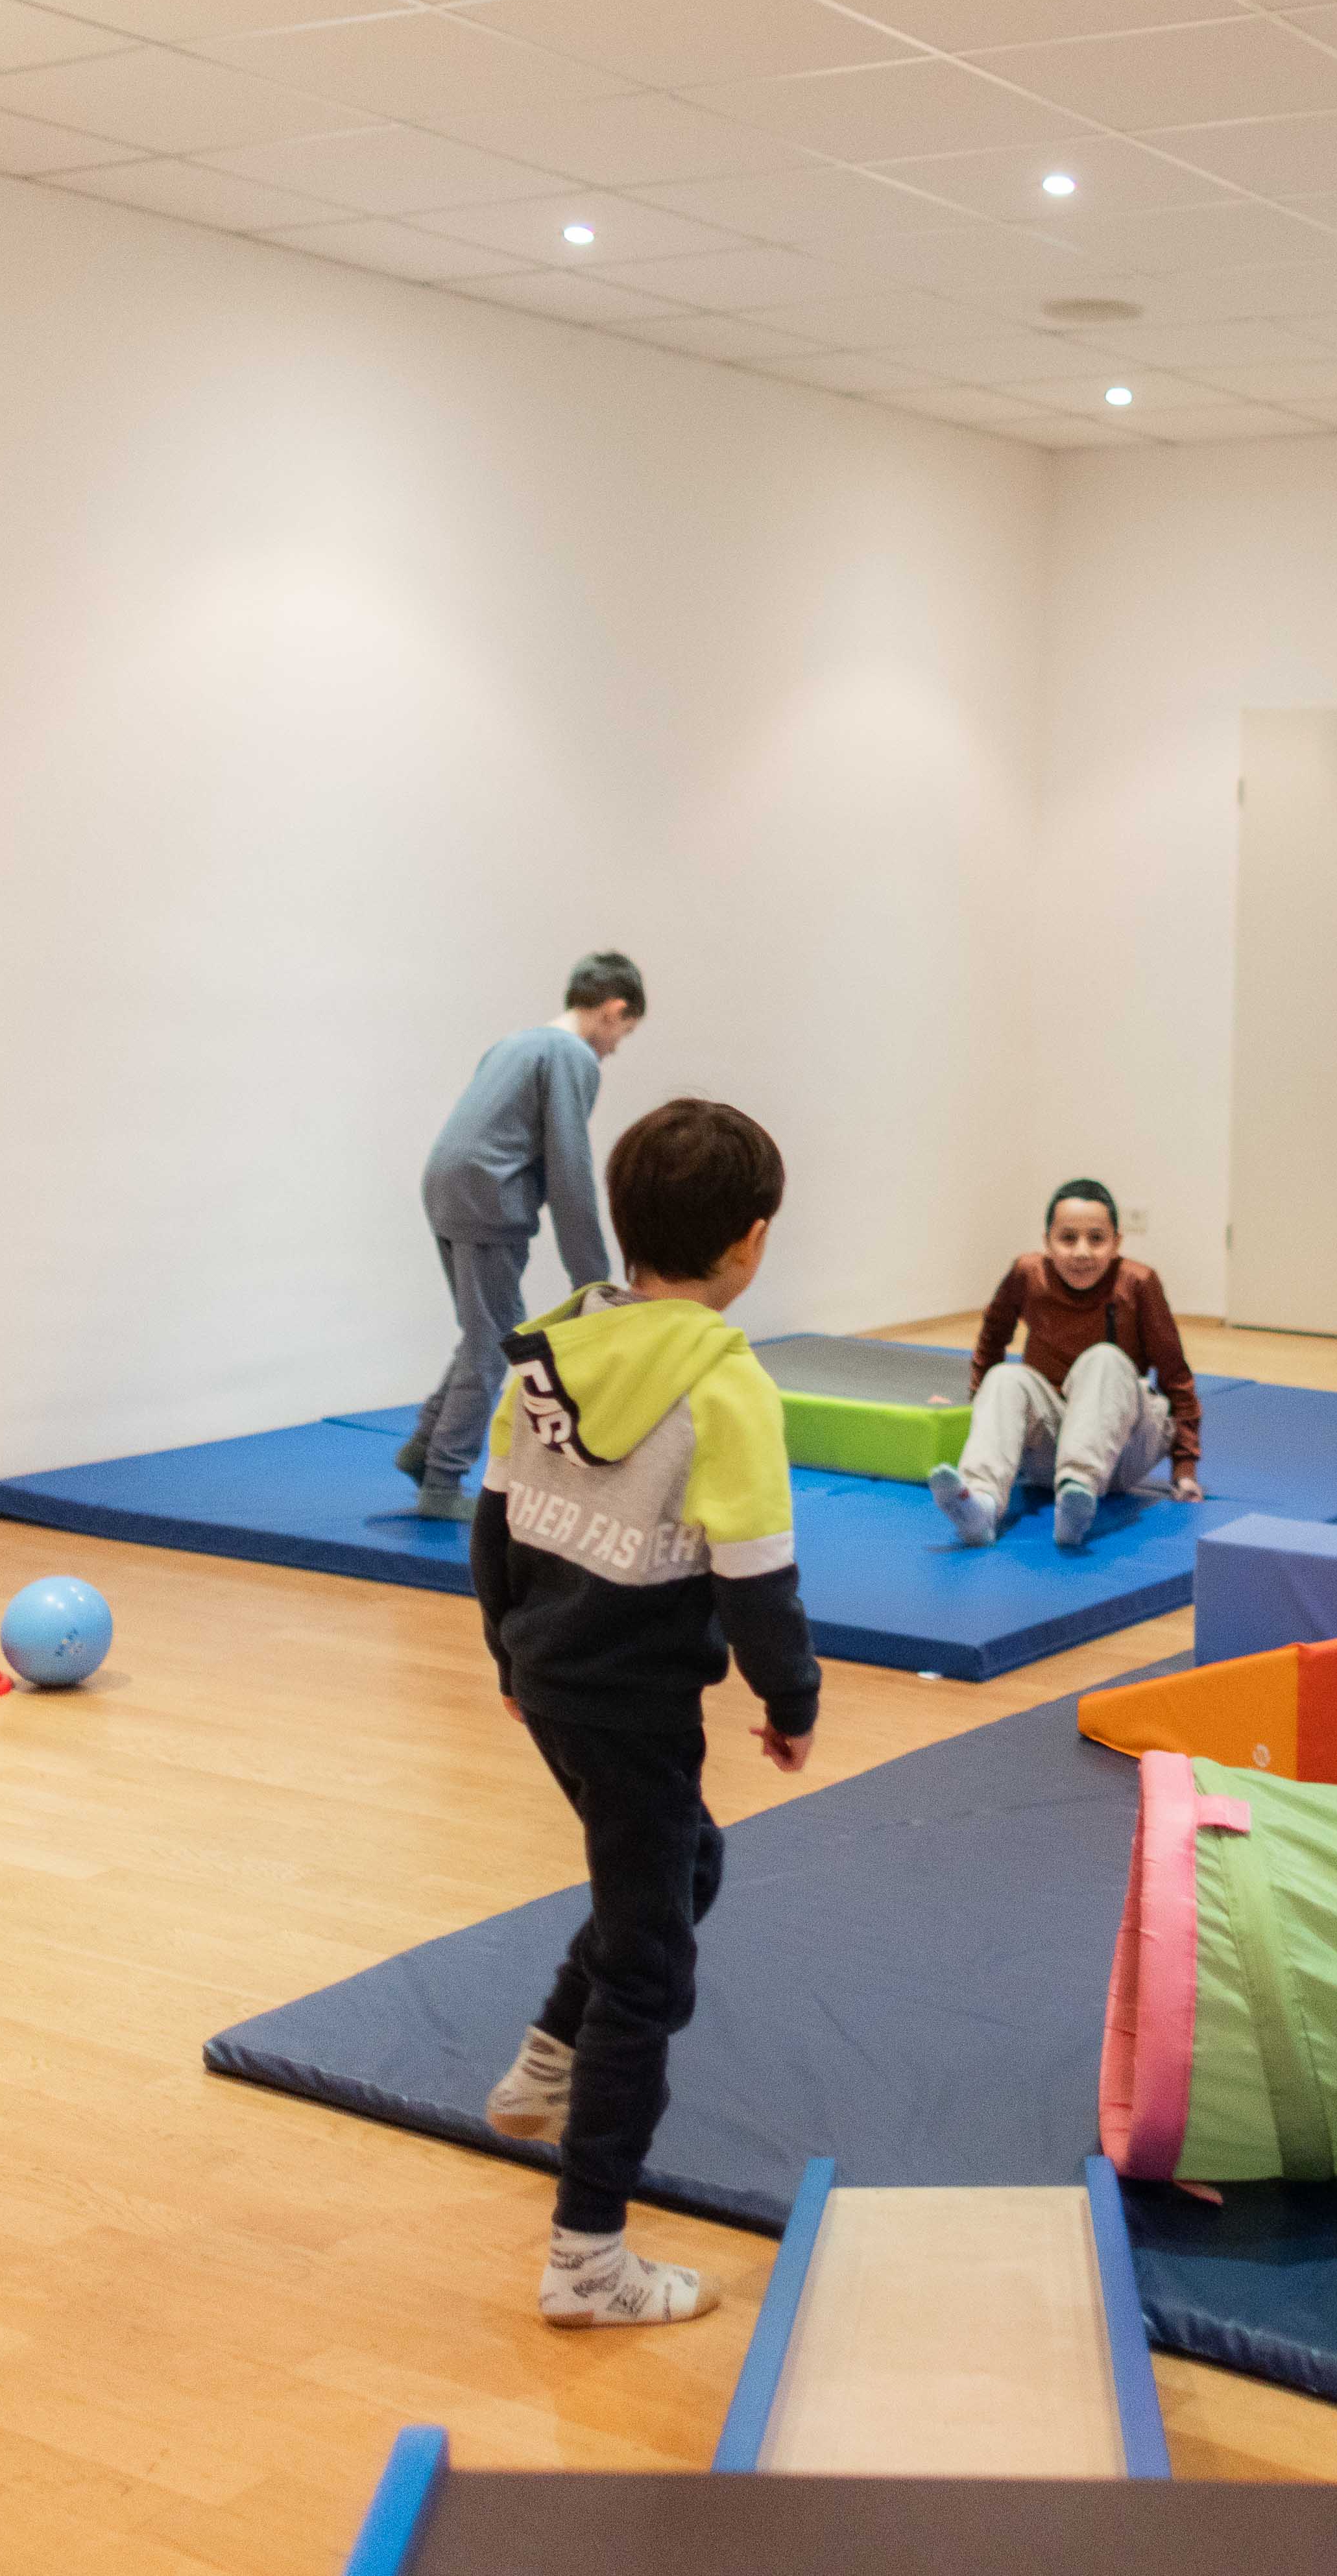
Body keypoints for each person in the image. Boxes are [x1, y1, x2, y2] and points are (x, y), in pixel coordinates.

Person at [464, 1095, 814, 2329]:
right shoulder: (726, 1383)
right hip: (634, 1707)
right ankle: (587, 2257)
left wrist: (506, 1654)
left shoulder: (553, 1347)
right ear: (750, 1241)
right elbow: (756, 1574)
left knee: (681, 1866)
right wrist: (791, 1695)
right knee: (649, 1966)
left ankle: (545, 2062)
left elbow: (494, 1516)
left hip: (554, 1681)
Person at [405, 953, 642, 1525]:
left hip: (447, 1190)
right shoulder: (572, 1056)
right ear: (613, 1010)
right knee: (496, 1340)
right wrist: (592, 1278)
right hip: (486, 1198)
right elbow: (568, 1167)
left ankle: (424, 1447)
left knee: (481, 1331)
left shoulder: (516, 1043)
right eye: (624, 1032)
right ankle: (442, 1480)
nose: (615, 1048)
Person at [932, 1178, 1202, 1554]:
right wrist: (978, 1410)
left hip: (1122, 1449)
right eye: (1068, 1238)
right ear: (1047, 1242)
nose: (1082, 1252)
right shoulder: (1027, 1275)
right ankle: (982, 1504)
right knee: (1005, 1377)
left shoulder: (1138, 1283)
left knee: (1104, 1358)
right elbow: (992, 1340)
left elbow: (1176, 1375)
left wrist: (1184, 1470)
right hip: (1052, 1448)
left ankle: (1079, 1493)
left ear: (1117, 1243)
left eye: (1097, 1239)